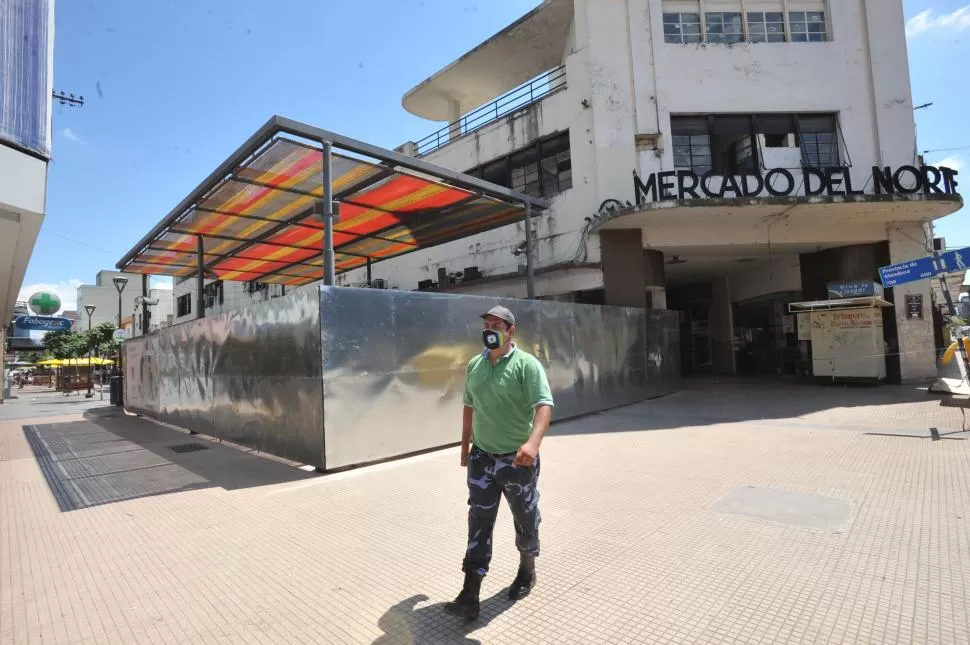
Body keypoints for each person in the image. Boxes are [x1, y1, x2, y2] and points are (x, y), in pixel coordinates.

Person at [444, 305, 554, 621]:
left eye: (496, 324)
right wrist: (465, 446)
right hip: (482, 458)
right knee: (479, 520)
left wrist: (533, 444)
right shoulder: (475, 366)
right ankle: (470, 592)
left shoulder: (526, 366)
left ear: (510, 331)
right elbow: (469, 406)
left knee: (525, 516)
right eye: (487, 324)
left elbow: (543, 406)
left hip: (516, 461)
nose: (490, 329)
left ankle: (527, 568)